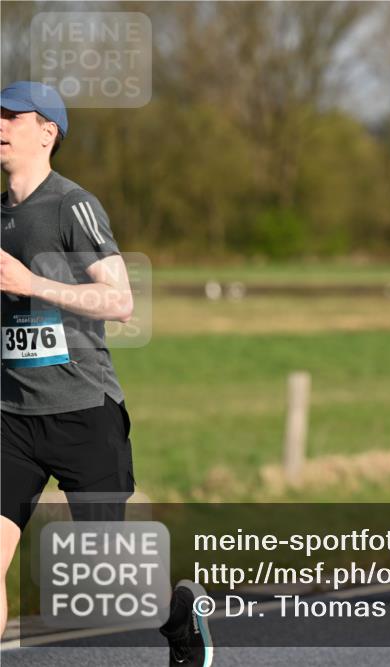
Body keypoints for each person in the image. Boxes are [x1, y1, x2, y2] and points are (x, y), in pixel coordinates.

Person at [0, 81, 211, 665]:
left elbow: (120, 302)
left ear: (48, 131)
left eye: (10, 115)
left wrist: (31, 283)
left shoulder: (72, 205)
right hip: (10, 420)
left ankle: (176, 613)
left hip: (82, 413)